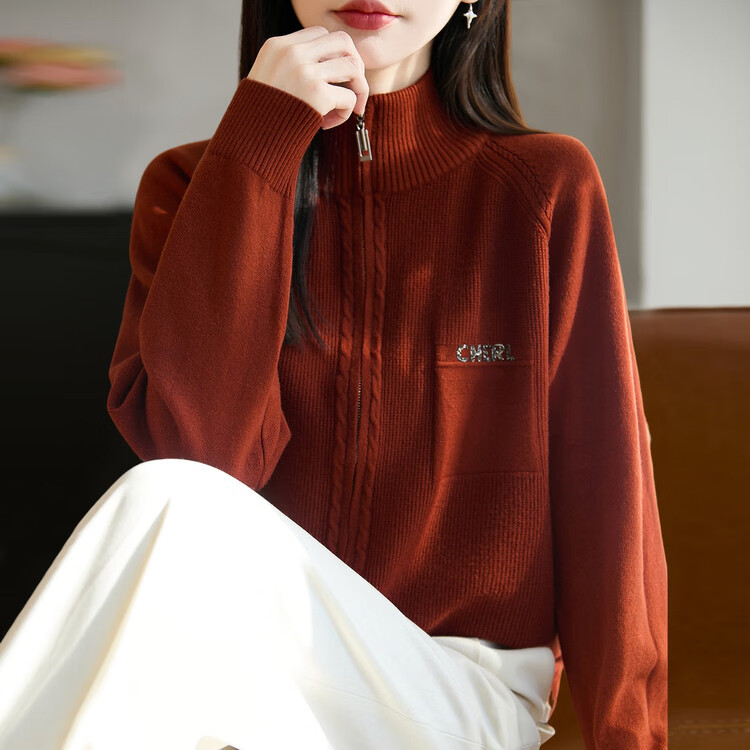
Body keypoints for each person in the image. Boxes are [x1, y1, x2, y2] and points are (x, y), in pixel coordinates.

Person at [0, 1, 668, 748]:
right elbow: (204, 453)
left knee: (164, 511)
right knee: (172, 497)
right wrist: (261, 140)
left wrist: (630, 739)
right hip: (246, 666)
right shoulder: (192, 184)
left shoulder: (543, 187)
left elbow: (606, 485)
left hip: (453, 691)